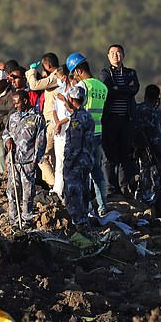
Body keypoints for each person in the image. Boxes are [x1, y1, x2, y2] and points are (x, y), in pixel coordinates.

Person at [69, 53, 108, 216]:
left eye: (73, 74)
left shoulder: (83, 86)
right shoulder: (102, 87)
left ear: (78, 71)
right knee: (97, 172)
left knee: (83, 172)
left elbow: (76, 110)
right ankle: (102, 206)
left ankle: (87, 208)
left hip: (85, 136)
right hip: (98, 133)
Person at [99, 44, 140, 195]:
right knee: (109, 156)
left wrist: (118, 88)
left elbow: (134, 89)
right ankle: (110, 188)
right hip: (110, 120)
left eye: (119, 53)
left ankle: (124, 187)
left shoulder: (131, 73)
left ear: (123, 55)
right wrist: (124, 89)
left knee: (125, 155)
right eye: (113, 53)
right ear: (108, 56)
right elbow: (107, 90)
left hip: (126, 119)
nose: (116, 56)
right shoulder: (105, 73)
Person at [3, 90, 46, 227]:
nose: (15, 106)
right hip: (13, 160)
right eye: (14, 103)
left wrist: (35, 160)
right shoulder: (13, 117)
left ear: (25, 101)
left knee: (27, 192)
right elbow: (6, 133)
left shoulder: (37, 118)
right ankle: (13, 220)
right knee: (12, 191)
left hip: (28, 161)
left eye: (17, 103)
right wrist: (8, 140)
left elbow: (41, 140)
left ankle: (26, 220)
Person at [131, 84, 161, 219]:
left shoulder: (137, 109)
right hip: (151, 156)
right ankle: (150, 214)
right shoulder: (154, 114)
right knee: (151, 185)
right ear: (157, 99)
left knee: (144, 184)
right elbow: (158, 140)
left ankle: (149, 212)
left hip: (141, 155)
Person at [62, 85, 96, 230]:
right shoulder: (87, 116)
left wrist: (68, 163)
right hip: (86, 161)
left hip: (76, 163)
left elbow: (75, 145)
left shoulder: (77, 119)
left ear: (71, 99)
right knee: (83, 191)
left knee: (74, 193)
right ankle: (83, 221)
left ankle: (79, 224)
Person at [26, 53, 60, 186]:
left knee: (41, 155)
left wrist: (32, 71)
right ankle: (55, 185)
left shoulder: (56, 76)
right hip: (51, 121)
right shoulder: (54, 77)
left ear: (48, 65)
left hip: (52, 121)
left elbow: (34, 85)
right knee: (52, 157)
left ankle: (55, 185)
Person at [51, 66, 72, 197]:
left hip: (68, 130)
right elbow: (54, 109)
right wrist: (56, 123)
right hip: (58, 131)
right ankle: (57, 189)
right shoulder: (59, 90)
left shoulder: (73, 92)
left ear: (64, 77)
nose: (59, 81)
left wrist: (60, 123)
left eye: (59, 78)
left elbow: (72, 113)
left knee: (67, 162)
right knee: (58, 162)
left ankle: (68, 189)